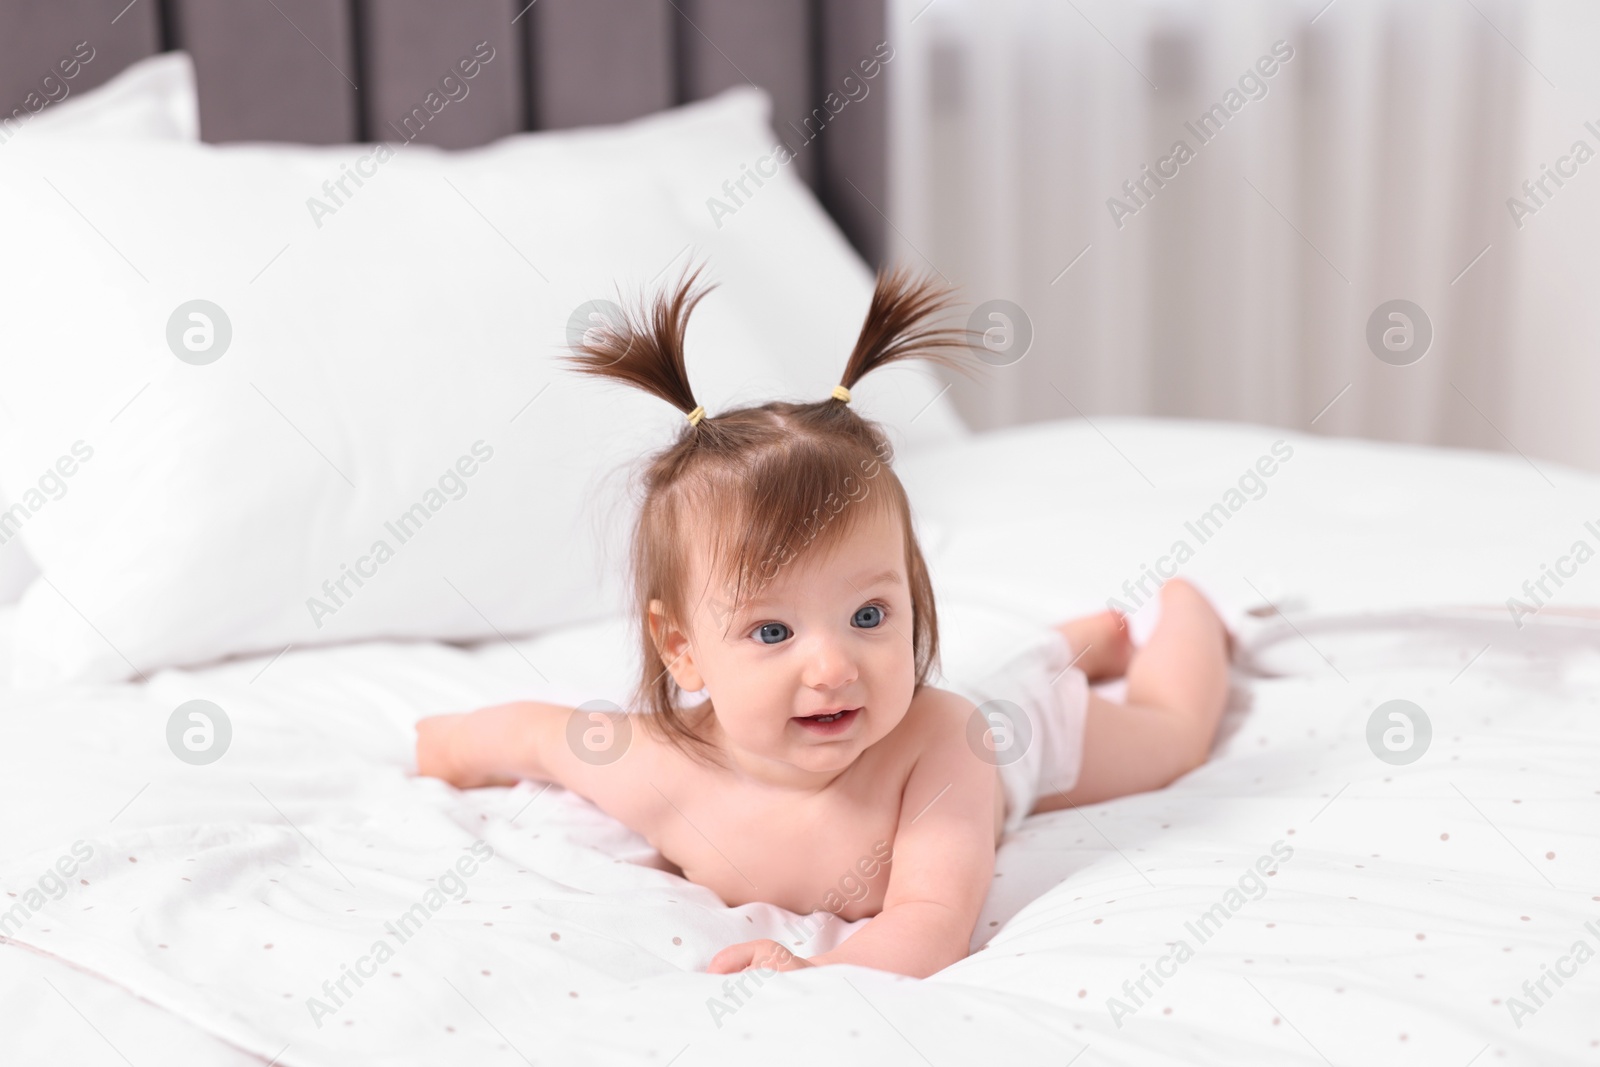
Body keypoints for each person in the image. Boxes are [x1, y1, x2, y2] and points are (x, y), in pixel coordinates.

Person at [415, 263, 1231, 979]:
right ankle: (1078, 639)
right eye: (772, 632)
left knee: (1165, 733)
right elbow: (527, 735)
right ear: (681, 649)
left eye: (870, 613)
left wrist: (815, 970)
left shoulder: (944, 743)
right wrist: (438, 746)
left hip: (1014, 734)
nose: (834, 666)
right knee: (1023, 666)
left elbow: (930, 920)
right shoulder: (656, 765)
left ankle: (1186, 608)